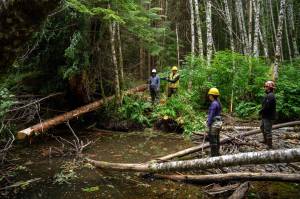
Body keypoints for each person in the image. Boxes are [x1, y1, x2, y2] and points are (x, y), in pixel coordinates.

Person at [259, 80, 276, 149]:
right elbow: (265, 105)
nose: (264, 88)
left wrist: (261, 111)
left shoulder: (271, 96)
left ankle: (269, 145)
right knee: (262, 127)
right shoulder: (268, 95)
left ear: (269, 88)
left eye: (266, 87)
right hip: (265, 116)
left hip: (268, 116)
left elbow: (267, 107)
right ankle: (265, 140)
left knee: (267, 130)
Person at [207, 88, 222, 157]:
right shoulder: (218, 103)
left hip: (215, 124)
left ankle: (213, 156)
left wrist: (208, 123)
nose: (209, 96)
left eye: (209, 95)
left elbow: (211, 114)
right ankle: (217, 153)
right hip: (219, 123)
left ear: (212, 96)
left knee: (213, 140)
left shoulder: (214, 104)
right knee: (217, 138)